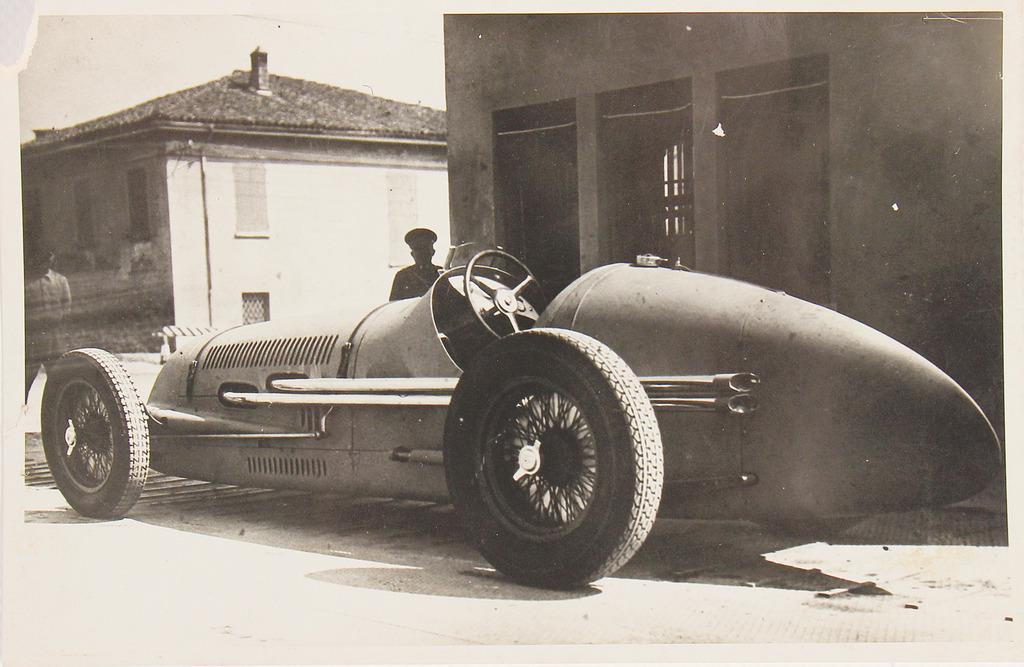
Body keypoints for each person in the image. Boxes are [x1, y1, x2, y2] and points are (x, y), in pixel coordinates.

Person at [24, 246, 72, 400]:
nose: (46, 261)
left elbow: (66, 307)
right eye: (42, 258)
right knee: (26, 378)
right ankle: (18, 409)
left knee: (58, 379)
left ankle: (58, 412)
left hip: (55, 337)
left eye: (49, 257)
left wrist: (57, 324)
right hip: (34, 338)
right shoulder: (26, 282)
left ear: (52, 259)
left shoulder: (61, 281)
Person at [389, 228, 443, 301]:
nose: (422, 254)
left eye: (425, 249)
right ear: (412, 254)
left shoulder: (441, 273)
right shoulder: (402, 276)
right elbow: (394, 304)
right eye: (417, 250)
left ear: (433, 252)